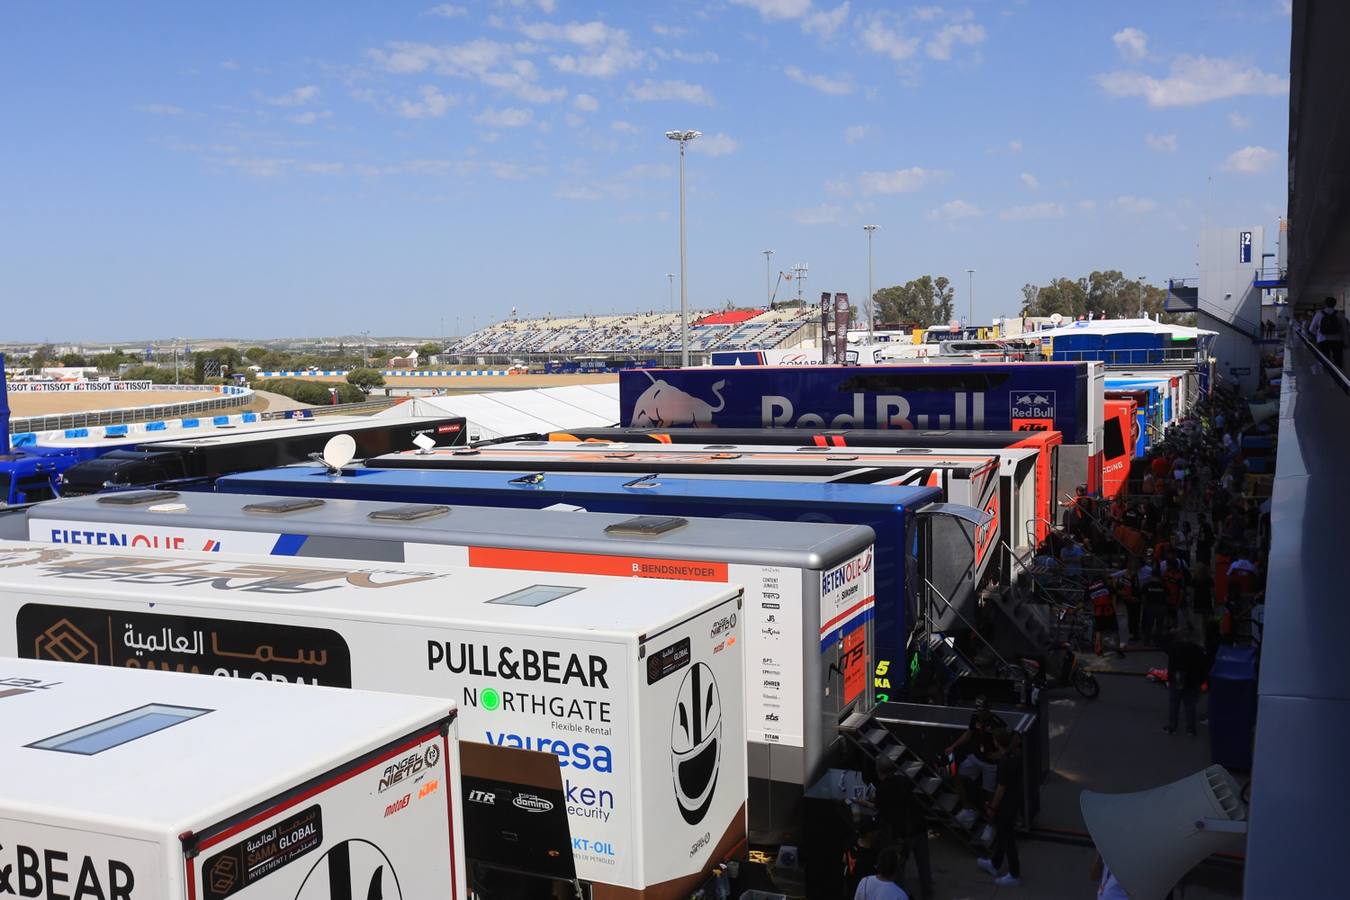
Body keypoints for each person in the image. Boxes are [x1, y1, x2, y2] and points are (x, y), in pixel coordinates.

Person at [861, 757, 933, 900]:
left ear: (878, 771)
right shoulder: (903, 780)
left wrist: (864, 803)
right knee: (923, 864)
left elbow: (879, 808)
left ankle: (899, 895)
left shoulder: (883, 790)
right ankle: (927, 894)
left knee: (898, 867)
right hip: (919, 826)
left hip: (903, 833)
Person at [945, 696, 1006, 824]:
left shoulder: (997, 723)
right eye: (978, 710)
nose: (980, 713)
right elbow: (969, 733)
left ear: (988, 710)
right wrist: (953, 746)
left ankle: (990, 824)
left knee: (990, 794)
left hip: (990, 764)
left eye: (982, 711)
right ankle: (967, 810)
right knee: (958, 778)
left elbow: (1011, 741)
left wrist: (999, 754)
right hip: (975, 757)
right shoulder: (975, 717)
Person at [976, 730, 1023, 887]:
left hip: (1006, 806)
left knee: (1008, 840)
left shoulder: (1004, 763)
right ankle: (995, 864)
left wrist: (992, 807)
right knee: (1002, 835)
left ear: (997, 742)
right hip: (1013, 802)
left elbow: (1001, 788)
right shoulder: (1013, 756)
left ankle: (1014, 875)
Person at [1164, 629, 1208, 736]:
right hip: (1191, 679)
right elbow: (1202, 666)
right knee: (1190, 704)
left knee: (1174, 703)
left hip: (1177, 677)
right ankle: (1191, 729)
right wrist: (1201, 680)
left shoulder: (1173, 647)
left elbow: (1164, 645)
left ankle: (1172, 727)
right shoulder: (1197, 649)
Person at [843, 819, 883, 899]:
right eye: (875, 831)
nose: (877, 833)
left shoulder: (876, 850)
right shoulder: (874, 852)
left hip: (869, 891)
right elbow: (844, 860)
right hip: (854, 889)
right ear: (869, 834)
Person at [1311, 296, 1344, 370]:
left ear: (1325, 304)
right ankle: (1339, 377)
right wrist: (1346, 342)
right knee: (1338, 361)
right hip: (1337, 341)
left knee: (1325, 361)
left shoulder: (1319, 314)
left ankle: (1327, 376)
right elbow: (1344, 329)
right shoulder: (1340, 314)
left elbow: (1311, 329)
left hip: (1323, 340)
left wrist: (1318, 335)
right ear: (1335, 304)